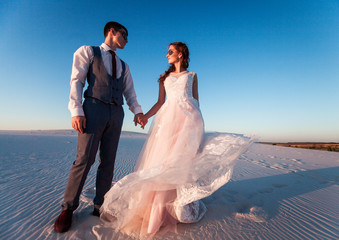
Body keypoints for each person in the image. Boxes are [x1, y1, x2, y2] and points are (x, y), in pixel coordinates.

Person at [97, 42, 252, 238]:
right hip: (168, 123)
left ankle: (178, 205)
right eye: (167, 52)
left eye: (170, 51)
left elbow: (196, 102)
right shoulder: (165, 78)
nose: (167, 55)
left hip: (190, 123)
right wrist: (145, 116)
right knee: (164, 162)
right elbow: (160, 102)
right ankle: (157, 210)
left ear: (181, 54)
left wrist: (199, 126)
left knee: (182, 162)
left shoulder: (192, 76)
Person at [54, 21, 146, 233]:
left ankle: (100, 205)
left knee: (108, 161)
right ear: (112, 32)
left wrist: (138, 112)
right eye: (124, 35)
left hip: (117, 113)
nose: (126, 40)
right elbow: (76, 80)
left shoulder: (124, 65)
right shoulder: (88, 51)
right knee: (84, 159)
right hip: (93, 107)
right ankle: (68, 208)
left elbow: (130, 93)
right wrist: (76, 110)